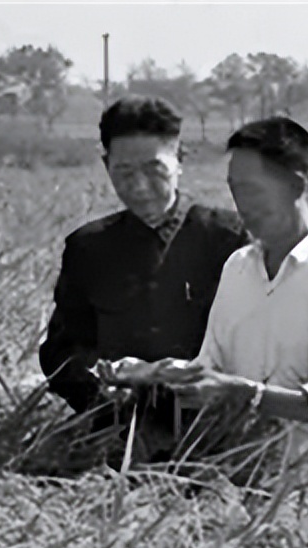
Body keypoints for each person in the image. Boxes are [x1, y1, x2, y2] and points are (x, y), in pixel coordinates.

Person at [103, 117, 308, 487]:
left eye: (252, 191)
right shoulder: (238, 268)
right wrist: (153, 374)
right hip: (236, 466)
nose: (240, 205)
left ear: (297, 184)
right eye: (234, 190)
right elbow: (212, 367)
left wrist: (241, 393)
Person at [38, 96, 249, 458]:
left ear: (180, 160)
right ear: (106, 166)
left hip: (215, 437)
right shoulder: (88, 249)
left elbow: (262, 344)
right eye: (124, 172)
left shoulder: (230, 241)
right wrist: (98, 388)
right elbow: (62, 350)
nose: (139, 186)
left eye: (154, 170)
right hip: (117, 438)